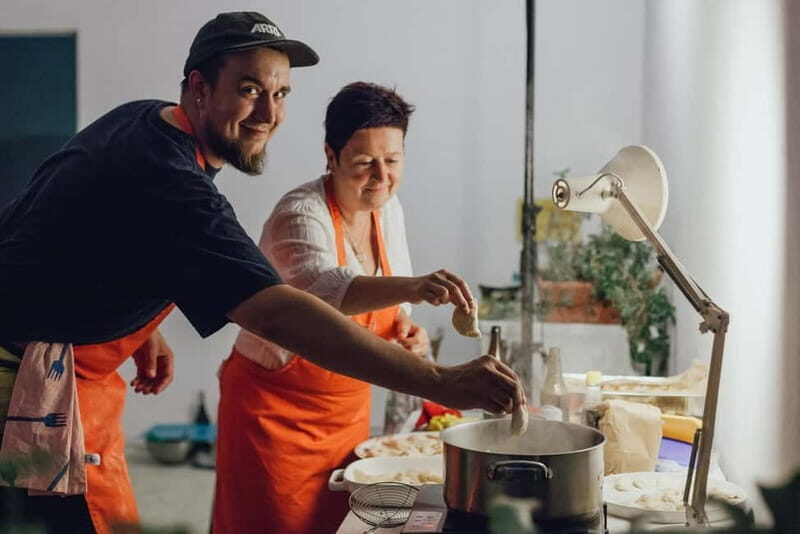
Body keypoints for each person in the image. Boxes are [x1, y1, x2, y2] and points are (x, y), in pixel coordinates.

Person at [0, 11, 524, 534]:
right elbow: (277, 313)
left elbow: (68, 223)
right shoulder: (175, 182)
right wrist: (440, 381)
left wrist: (139, 326)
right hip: (27, 386)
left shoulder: (143, 122)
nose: (269, 114)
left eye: (281, 94)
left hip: (74, 375)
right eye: (250, 90)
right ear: (200, 88)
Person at [213, 82, 477, 534]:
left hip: (347, 412)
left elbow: (388, 303)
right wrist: (415, 288)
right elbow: (326, 292)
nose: (381, 176)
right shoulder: (299, 214)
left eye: (392, 160)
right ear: (331, 156)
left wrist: (404, 329)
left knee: (340, 525)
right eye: (364, 162)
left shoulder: (387, 210)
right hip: (275, 417)